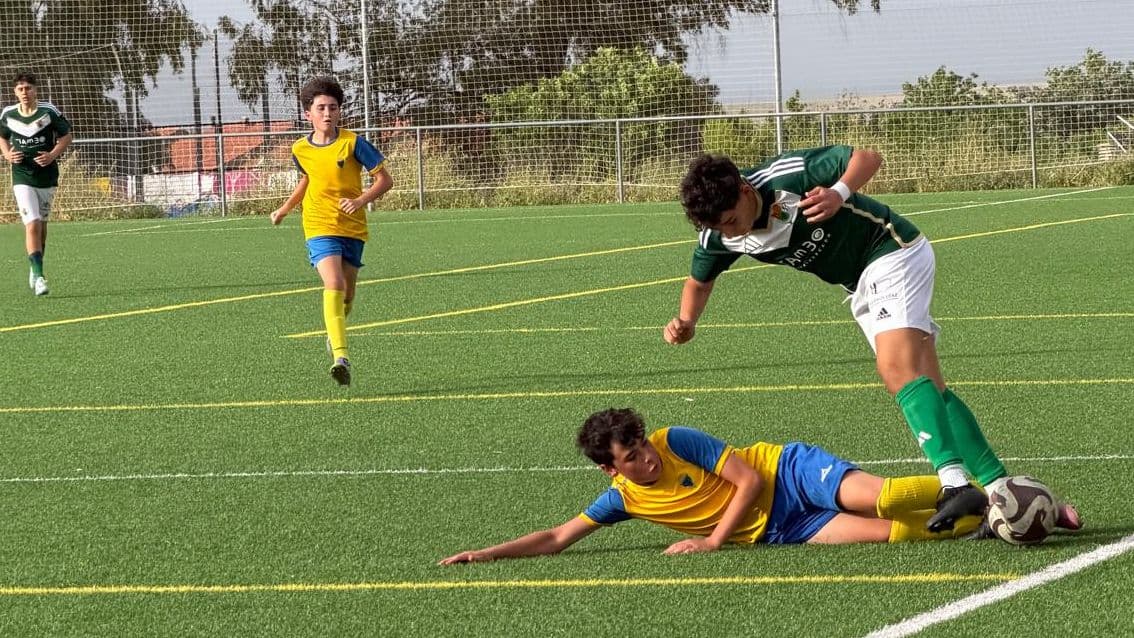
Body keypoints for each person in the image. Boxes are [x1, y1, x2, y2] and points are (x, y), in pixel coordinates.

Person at [664, 147, 1079, 533]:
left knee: (895, 368)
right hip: (860, 284)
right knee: (929, 388)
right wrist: (685, 321)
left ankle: (954, 484)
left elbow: (867, 157)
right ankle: (1011, 497)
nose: (729, 233)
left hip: (892, 251)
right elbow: (699, 282)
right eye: (719, 228)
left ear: (743, 189)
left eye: (731, 220)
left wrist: (838, 192)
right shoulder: (719, 235)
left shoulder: (787, 176)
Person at [440, 408, 985, 565]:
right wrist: (488, 553)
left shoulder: (677, 439)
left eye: (643, 445)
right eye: (632, 458)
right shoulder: (623, 499)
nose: (647, 458)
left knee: (885, 497)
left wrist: (713, 540)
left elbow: (748, 480)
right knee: (896, 533)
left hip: (787, 473)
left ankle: (991, 487)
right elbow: (558, 537)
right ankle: (994, 519)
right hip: (784, 529)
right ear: (611, 470)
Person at [270, 77, 393, 386]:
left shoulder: (353, 143)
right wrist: (285, 209)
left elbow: (385, 180)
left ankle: (333, 331)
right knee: (334, 282)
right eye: (321, 108)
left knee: (347, 295)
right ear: (308, 113)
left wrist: (360, 200)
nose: (327, 113)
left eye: (333, 107)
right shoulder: (300, 149)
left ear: (340, 111)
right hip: (318, 225)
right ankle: (341, 357)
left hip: (352, 227)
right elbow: (307, 180)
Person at [0, 72, 73, 297]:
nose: (25, 92)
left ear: (35, 90)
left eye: (28, 88)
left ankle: (35, 266)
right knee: (31, 223)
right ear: (15, 92)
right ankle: (40, 277)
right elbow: (2, 136)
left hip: (46, 176)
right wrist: (7, 154)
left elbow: (66, 136)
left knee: (41, 225)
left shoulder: (48, 111)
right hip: (22, 176)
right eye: (20, 89)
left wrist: (52, 155)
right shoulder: (8, 114)